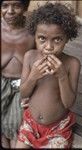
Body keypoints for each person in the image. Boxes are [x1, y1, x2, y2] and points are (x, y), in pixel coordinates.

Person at [16, 2, 81, 149]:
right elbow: (23, 93)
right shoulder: (30, 57)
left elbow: (69, 103)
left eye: (57, 39)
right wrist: (33, 76)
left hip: (57, 129)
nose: (49, 47)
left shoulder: (72, 63)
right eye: (42, 39)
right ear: (35, 36)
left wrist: (62, 76)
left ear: (67, 38)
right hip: (30, 124)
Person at [1, 0, 35, 148]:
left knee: (16, 123)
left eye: (16, 5)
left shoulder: (33, 31)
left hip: (23, 83)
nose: (10, 11)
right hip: (1, 81)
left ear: (25, 7)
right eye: (4, 6)